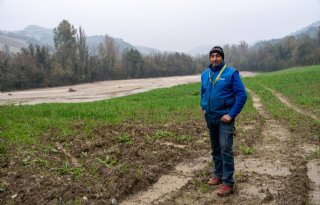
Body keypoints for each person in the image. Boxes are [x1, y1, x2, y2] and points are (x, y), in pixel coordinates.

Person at [200, 46, 247, 196]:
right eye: (212, 56)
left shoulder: (231, 73)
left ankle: (228, 183)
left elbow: (242, 95)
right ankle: (218, 175)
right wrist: (203, 106)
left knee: (226, 149)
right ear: (209, 58)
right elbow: (203, 92)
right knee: (215, 149)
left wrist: (231, 114)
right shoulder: (205, 74)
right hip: (210, 117)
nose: (215, 58)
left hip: (224, 119)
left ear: (222, 57)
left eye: (217, 56)